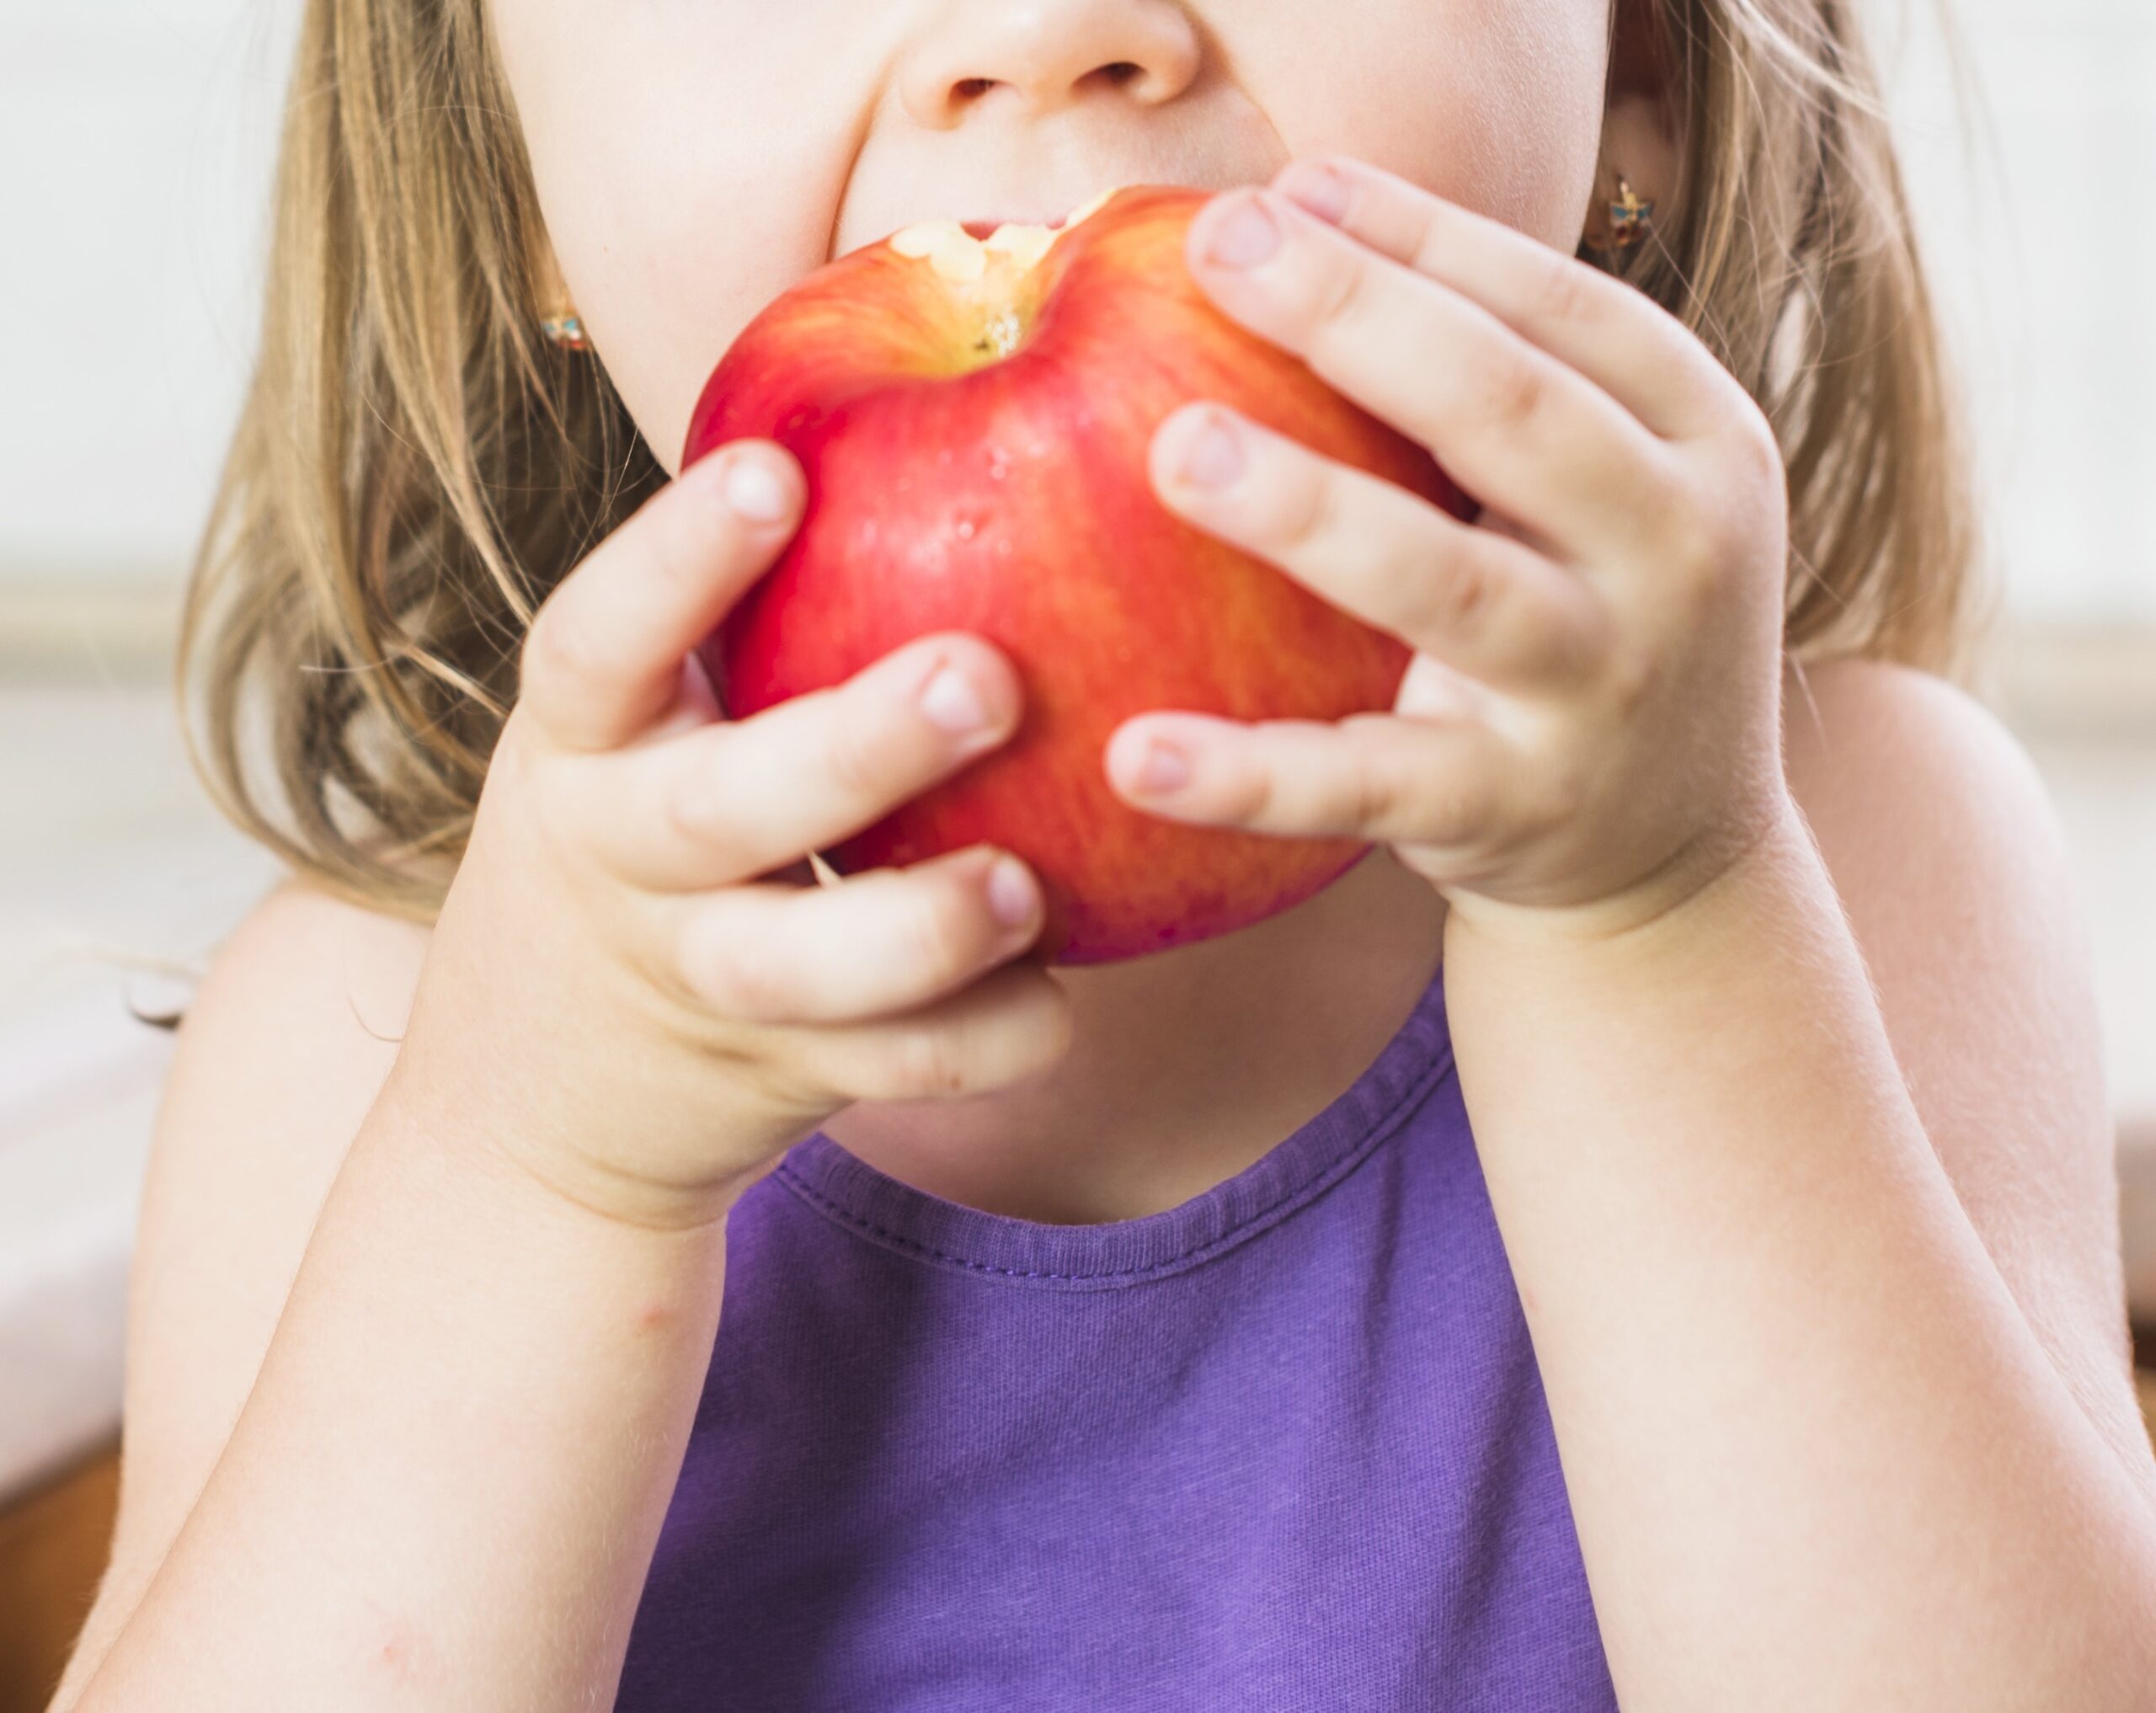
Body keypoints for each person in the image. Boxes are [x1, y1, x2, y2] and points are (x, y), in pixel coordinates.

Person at [47, 1, 2156, 1708]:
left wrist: (1658, 919)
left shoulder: (1846, 848)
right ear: (513, 187)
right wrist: (534, 1175)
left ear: (1644, 63)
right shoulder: (373, 1032)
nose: (1046, 38)